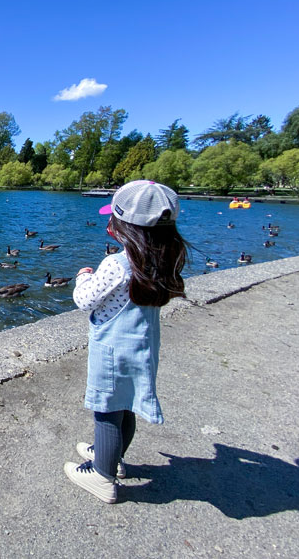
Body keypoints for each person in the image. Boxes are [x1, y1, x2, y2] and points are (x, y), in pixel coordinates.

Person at [65, 180, 189, 503]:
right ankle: (112, 455)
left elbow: (84, 300)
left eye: (114, 220)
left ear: (126, 229)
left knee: (106, 411)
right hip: (142, 350)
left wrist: (82, 276)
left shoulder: (117, 265)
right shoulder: (162, 263)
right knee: (127, 407)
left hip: (112, 353)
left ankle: (102, 476)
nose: (110, 225)